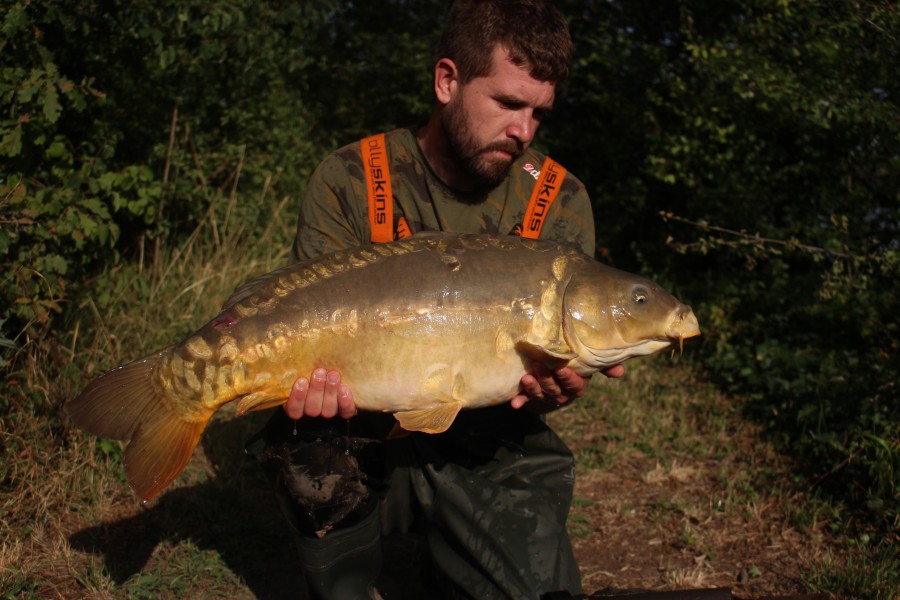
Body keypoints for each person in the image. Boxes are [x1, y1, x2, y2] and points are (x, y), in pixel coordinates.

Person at [254, 1, 624, 598]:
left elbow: (537, 386)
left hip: (486, 436)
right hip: (362, 425)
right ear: (447, 80)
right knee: (312, 452)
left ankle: (456, 549)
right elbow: (303, 326)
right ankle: (346, 580)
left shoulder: (559, 200)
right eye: (507, 103)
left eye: (538, 113)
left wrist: (554, 394)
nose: (523, 132)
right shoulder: (351, 178)